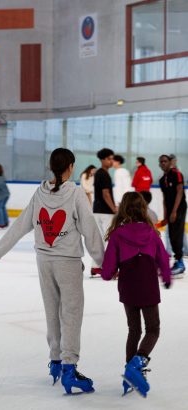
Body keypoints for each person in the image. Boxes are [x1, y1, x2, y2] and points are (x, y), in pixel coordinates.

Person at [0, 148, 104, 394]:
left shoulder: (40, 193)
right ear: (71, 167)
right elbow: (90, 231)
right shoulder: (75, 194)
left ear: (51, 167)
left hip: (44, 262)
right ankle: (69, 368)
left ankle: (55, 361)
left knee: (52, 311)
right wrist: (104, 262)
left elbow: (21, 224)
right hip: (68, 263)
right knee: (71, 314)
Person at [101, 192, 171, 398]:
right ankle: (137, 363)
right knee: (153, 329)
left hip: (128, 288)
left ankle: (129, 374)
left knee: (134, 329)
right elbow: (163, 259)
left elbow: (108, 268)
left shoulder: (117, 234)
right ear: (143, 208)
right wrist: (166, 277)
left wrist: (107, 274)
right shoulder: (151, 232)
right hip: (148, 287)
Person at [159, 155, 187, 277]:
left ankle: (180, 263)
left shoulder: (177, 174)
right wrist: (166, 216)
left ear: (170, 162)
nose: (163, 163)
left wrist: (175, 211)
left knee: (177, 234)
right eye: (161, 162)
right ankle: (177, 262)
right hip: (170, 211)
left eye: (165, 161)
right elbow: (164, 199)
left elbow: (180, 191)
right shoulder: (162, 180)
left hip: (179, 209)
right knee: (171, 235)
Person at [91, 148, 116, 276]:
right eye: (109, 159)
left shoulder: (99, 173)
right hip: (105, 212)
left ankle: (96, 266)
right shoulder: (104, 174)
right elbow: (106, 194)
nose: (112, 161)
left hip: (97, 210)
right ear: (103, 160)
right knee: (110, 239)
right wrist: (114, 209)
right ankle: (108, 267)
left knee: (100, 239)